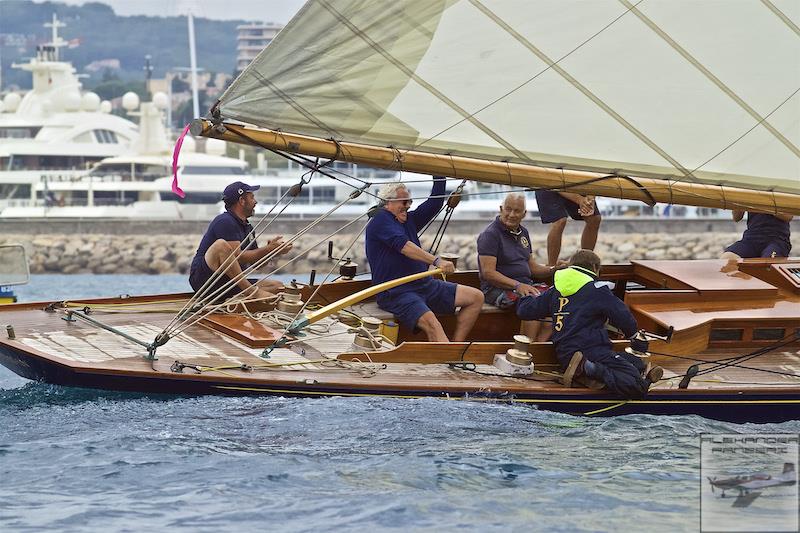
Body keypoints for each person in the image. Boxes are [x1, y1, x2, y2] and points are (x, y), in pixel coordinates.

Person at [516, 249, 663, 398]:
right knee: (637, 385)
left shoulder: (555, 289)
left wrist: (525, 296)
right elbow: (624, 317)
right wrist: (633, 335)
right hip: (592, 352)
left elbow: (525, 311)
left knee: (636, 364)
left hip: (565, 355)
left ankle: (588, 372)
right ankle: (590, 370)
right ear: (594, 268)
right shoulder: (597, 289)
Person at [365, 177, 483, 342]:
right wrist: (437, 261)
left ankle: (456, 347)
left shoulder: (408, 220)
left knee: (476, 297)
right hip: (396, 292)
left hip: (424, 285)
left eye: (410, 202)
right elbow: (405, 247)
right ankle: (449, 360)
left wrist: (440, 176)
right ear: (388, 202)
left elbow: (434, 204)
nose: (408, 206)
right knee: (433, 324)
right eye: (404, 202)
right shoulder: (380, 219)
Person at [189, 181, 291, 301]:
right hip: (205, 282)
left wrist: (272, 252)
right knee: (221, 246)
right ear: (242, 201)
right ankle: (251, 292)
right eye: (252, 197)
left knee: (278, 286)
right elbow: (237, 256)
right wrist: (268, 249)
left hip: (229, 283)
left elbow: (257, 265)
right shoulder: (225, 221)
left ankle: (240, 295)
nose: (255, 202)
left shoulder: (247, 227)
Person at [477, 192, 559, 340]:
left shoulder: (523, 233)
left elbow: (532, 268)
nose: (512, 214)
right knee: (532, 304)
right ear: (501, 209)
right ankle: (525, 352)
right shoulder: (490, 234)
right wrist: (517, 285)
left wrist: (554, 269)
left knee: (557, 299)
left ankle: (539, 348)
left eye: (517, 211)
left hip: (524, 286)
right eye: (508, 209)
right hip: (496, 289)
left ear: (524, 214)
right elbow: (488, 273)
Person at [534, 190, 601, 266]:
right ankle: (551, 266)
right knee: (560, 221)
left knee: (595, 219)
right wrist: (579, 200)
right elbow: (556, 183)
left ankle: (584, 262)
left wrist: (590, 199)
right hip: (549, 183)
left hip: (574, 184)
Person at [721, 210, 793, 259]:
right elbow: (736, 218)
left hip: (777, 239)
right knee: (727, 258)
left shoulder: (780, 191)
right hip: (751, 238)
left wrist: (762, 202)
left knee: (768, 263)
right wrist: (740, 201)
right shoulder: (748, 191)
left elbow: (788, 216)